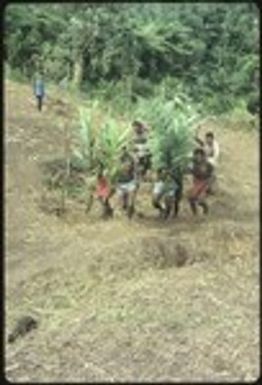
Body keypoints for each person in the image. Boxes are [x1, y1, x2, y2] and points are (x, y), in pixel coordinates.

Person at [188, 148, 214, 215]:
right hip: (197, 183)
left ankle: (206, 211)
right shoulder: (193, 165)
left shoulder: (208, 164)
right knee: (191, 198)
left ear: (202, 156)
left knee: (201, 200)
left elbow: (212, 176)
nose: (198, 157)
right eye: (196, 155)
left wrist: (209, 185)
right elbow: (191, 173)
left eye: (199, 155)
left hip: (205, 182)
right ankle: (195, 214)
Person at [115, 149, 138, 219]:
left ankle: (129, 217)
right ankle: (126, 215)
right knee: (121, 203)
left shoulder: (131, 159)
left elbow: (135, 170)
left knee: (131, 202)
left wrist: (136, 181)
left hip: (130, 182)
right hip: (120, 184)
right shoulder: (117, 162)